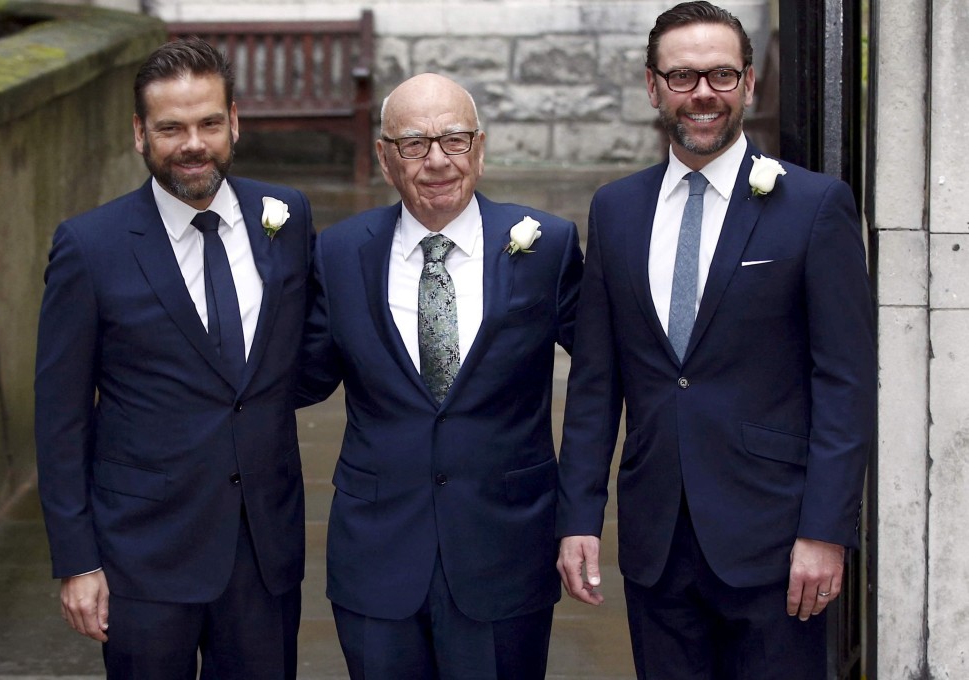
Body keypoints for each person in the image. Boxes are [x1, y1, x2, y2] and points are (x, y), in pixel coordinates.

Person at [555, 2, 876, 677]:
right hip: (656, 540)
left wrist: (826, 531)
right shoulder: (615, 210)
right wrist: (579, 516)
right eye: (683, 76)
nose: (703, 93)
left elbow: (844, 383)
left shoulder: (815, 206)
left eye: (722, 75)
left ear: (749, 83)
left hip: (776, 541)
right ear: (653, 87)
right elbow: (594, 383)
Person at [34, 37, 313, 679]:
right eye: (171, 128)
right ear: (140, 133)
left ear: (234, 121)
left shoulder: (287, 217)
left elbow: (299, 358)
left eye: (210, 123)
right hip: (141, 554)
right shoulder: (90, 246)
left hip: (263, 550)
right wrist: (77, 561)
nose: (194, 144)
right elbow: (60, 417)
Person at [297, 73, 583, 679]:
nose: (436, 162)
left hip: (504, 551)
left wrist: (580, 515)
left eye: (454, 140)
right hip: (377, 559)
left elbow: (607, 375)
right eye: (414, 143)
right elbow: (300, 377)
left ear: (480, 146)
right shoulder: (339, 253)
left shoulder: (547, 246)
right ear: (384, 156)